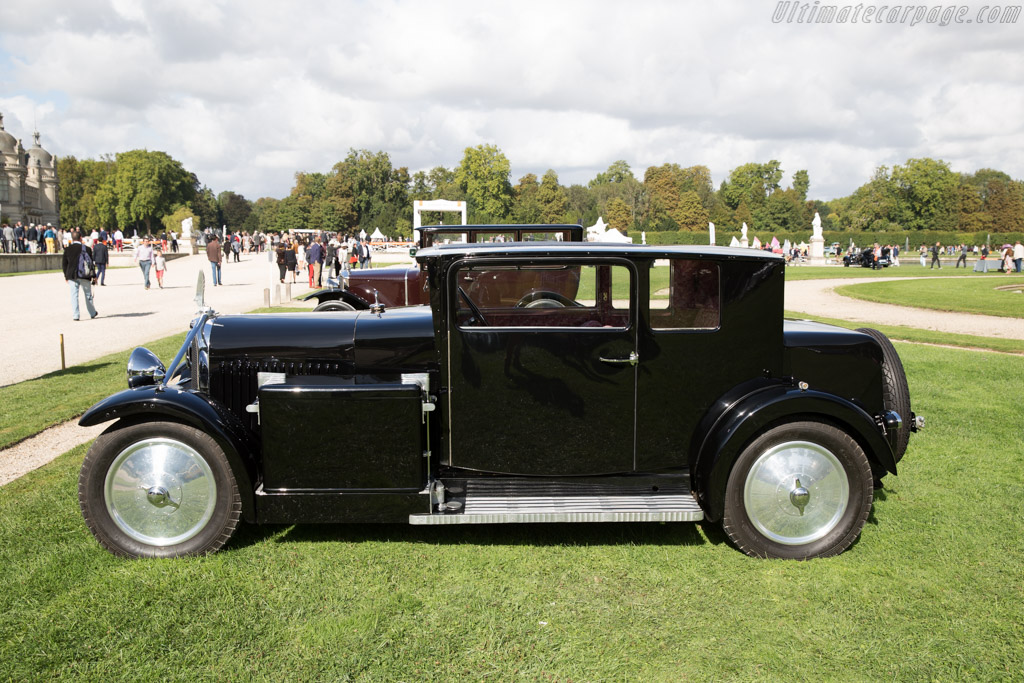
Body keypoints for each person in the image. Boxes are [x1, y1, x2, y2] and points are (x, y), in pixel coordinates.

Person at [62, 229, 98, 320]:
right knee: (88, 295)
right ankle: (92, 312)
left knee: (74, 295)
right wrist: (94, 276)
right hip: (84, 275)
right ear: (81, 238)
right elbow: (91, 264)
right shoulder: (87, 249)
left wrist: (66, 276)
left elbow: (64, 264)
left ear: (72, 239)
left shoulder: (68, 249)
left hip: (72, 275)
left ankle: (76, 315)